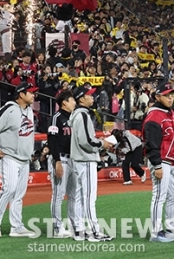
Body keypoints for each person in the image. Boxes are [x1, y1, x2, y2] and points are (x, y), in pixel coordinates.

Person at [0, 82, 38, 238]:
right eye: (30, 92)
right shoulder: (9, 109)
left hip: (24, 158)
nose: (33, 95)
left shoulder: (29, 110)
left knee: (19, 194)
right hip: (9, 156)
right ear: (21, 94)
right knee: (8, 188)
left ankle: (17, 227)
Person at [142, 82, 174, 243]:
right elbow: (151, 143)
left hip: (170, 161)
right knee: (159, 196)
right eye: (167, 95)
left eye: (172, 95)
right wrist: (156, 165)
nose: (171, 98)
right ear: (157, 96)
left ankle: (171, 229)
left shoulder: (170, 113)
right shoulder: (154, 116)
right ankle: (156, 232)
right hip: (160, 161)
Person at [69, 86, 113, 242]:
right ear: (81, 99)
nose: (92, 97)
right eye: (89, 95)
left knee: (81, 197)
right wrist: (102, 144)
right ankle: (94, 231)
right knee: (89, 197)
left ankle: (80, 230)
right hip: (86, 159)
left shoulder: (77, 115)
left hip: (79, 160)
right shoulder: (83, 115)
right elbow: (86, 141)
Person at [47, 89, 77, 238]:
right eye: (72, 100)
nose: (75, 102)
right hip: (62, 159)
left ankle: (73, 225)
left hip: (73, 159)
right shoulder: (56, 118)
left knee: (73, 195)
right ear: (64, 102)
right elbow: (52, 140)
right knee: (59, 195)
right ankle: (58, 228)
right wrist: (57, 161)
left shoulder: (74, 117)